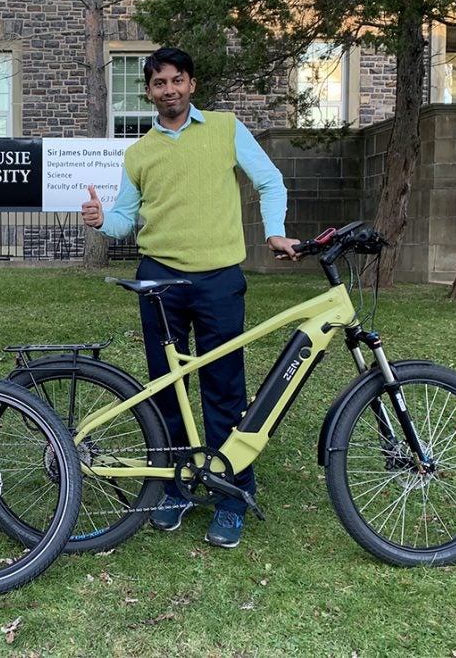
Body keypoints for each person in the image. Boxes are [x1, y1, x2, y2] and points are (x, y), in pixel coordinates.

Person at [81, 47, 299, 548]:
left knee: (224, 387)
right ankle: (174, 488)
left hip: (220, 278)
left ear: (192, 84)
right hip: (160, 282)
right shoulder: (139, 153)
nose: (169, 90)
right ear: (149, 91)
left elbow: (269, 180)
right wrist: (100, 221)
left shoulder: (226, 129)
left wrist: (275, 233)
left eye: (177, 80)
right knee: (166, 389)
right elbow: (123, 219)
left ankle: (231, 493)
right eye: (159, 83)